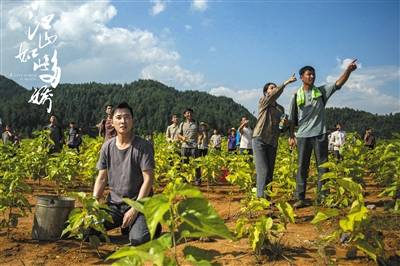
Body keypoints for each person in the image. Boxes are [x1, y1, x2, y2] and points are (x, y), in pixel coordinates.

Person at [288, 60, 358, 208]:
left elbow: (338, 83)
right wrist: (291, 136)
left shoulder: (321, 92)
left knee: (323, 167)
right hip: (302, 136)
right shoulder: (295, 96)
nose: (312, 76)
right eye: (309, 74)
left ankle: (323, 197)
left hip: (320, 134)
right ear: (302, 77)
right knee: (302, 167)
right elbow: (292, 119)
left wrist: (348, 71)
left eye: (313, 74)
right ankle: (300, 198)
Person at [93, 102, 160, 245]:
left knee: (138, 239)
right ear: (112, 121)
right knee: (87, 231)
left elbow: (148, 179)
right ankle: (127, 224)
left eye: (127, 117)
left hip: (139, 203)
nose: (123, 121)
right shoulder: (107, 147)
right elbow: (102, 177)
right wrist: (94, 202)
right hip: (114, 206)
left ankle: (151, 223)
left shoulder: (144, 146)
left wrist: (135, 209)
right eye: (119, 117)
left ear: (132, 121)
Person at [252, 74, 297, 198]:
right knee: (263, 171)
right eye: (271, 88)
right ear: (266, 92)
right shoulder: (264, 101)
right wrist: (286, 82)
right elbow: (274, 95)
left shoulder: (280, 109)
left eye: (274, 87)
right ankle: (260, 199)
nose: (274, 89)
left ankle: (268, 197)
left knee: (270, 173)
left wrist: (287, 127)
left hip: (272, 142)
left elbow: (281, 128)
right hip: (259, 139)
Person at [177, 108, 201, 186]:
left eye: (190, 113)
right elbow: (178, 134)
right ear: (184, 115)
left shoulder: (196, 123)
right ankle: (185, 180)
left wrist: (199, 140)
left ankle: (197, 180)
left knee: (196, 163)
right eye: (187, 113)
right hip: (184, 146)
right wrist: (182, 138)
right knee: (184, 164)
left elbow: (201, 134)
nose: (189, 114)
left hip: (194, 146)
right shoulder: (182, 124)